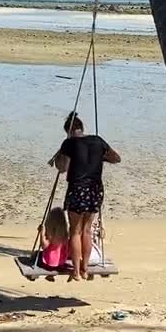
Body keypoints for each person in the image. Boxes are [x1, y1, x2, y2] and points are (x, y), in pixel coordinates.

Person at [54, 112, 120, 281]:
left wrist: (60, 154)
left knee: (75, 231)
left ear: (68, 131)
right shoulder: (98, 140)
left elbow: (62, 168)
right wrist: (99, 158)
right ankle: (85, 269)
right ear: (82, 128)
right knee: (87, 230)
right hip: (95, 189)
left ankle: (76, 271)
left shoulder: (69, 143)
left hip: (77, 189)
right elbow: (116, 158)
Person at [37, 207, 70, 281]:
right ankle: (51, 275)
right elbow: (67, 248)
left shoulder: (50, 233)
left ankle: (49, 274)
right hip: (61, 263)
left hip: (48, 264)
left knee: (36, 255)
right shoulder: (65, 234)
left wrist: (41, 233)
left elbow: (44, 246)